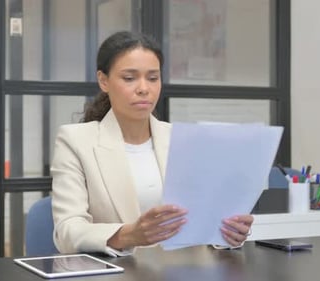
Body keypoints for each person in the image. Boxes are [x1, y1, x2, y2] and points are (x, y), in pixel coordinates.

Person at [51, 31, 253, 256]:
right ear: (104, 80)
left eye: (153, 78)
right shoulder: (75, 141)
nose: (144, 88)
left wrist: (225, 234)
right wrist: (129, 235)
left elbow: (204, 219)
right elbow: (67, 231)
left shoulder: (181, 139)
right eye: (129, 78)